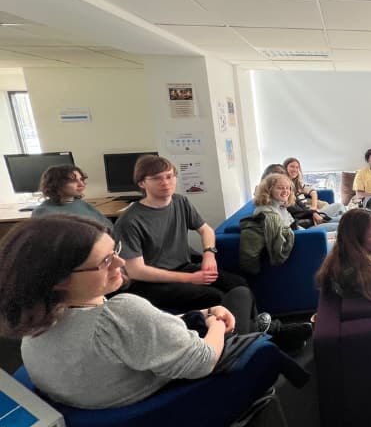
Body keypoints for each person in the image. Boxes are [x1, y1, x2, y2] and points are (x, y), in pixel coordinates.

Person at [0, 215, 304, 419]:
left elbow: (138, 332)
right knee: (237, 297)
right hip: (177, 398)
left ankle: (270, 327)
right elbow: (203, 360)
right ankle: (270, 331)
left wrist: (200, 313)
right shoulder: (119, 314)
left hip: (104, 395)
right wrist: (215, 324)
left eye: (115, 250)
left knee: (221, 302)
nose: (121, 262)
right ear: (59, 279)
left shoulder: (34, 323)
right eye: (105, 261)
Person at [112, 155, 250, 311]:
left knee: (238, 284)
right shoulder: (129, 220)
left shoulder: (180, 202)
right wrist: (190, 278)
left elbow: (206, 230)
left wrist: (209, 255)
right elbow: (136, 271)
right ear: (142, 183)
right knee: (214, 296)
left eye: (169, 176)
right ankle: (231, 333)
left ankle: (257, 328)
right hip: (150, 282)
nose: (165, 182)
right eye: (157, 178)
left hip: (183, 267)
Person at [31, 164, 113, 228]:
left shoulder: (81, 204)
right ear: (57, 184)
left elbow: (108, 226)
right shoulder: (44, 212)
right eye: (73, 181)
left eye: (81, 179)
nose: (81, 184)